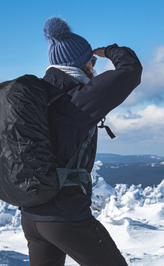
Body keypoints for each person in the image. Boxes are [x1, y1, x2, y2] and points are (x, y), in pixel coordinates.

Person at [20, 16, 143, 266]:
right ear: (80, 64)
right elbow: (130, 71)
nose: (94, 64)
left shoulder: (39, 96)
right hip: (65, 217)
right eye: (92, 60)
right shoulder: (76, 99)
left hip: (31, 217)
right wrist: (109, 51)